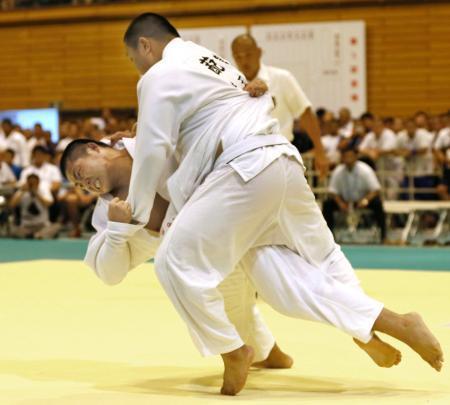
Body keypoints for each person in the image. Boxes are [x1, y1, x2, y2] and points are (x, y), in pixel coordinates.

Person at [95, 13, 442, 395]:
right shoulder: (213, 62)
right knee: (301, 269)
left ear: (145, 45)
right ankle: (384, 324)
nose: (137, 68)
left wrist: (136, 212)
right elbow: (218, 112)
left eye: (133, 59)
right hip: (282, 161)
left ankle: (232, 350)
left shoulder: (158, 75)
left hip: (242, 172)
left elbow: (154, 148)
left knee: (173, 262)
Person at [230, 33, 328, 176]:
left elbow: (305, 113)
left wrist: (320, 152)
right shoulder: (231, 85)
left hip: (281, 156)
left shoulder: (281, 78)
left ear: (259, 52)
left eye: (248, 54)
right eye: (238, 57)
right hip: (245, 162)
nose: (244, 61)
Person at [323, 148, 387, 242]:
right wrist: (340, 203)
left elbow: (376, 189)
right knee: (327, 204)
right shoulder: (338, 171)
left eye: (350, 156)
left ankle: (383, 236)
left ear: (356, 157)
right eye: (346, 156)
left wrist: (366, 200)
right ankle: (329, 237)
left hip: (362, 200)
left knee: (378, 203)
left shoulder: (365, 170)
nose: (348, 159)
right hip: (344, 201)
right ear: (342, 158)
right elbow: (332, 191)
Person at [9, 173, 60, 239]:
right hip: (26, 226)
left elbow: (49, 203)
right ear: (27, 182)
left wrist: (36, 194)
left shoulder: (43, 190)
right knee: (13, 230)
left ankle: (37, 235)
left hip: (42, 225)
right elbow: (12, 204)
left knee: (57, 226)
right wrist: (22, 192)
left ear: (38, 183)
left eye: (34, 183)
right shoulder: (22, 191)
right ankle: (34, 235)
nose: (32, 185)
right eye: (30, 183)